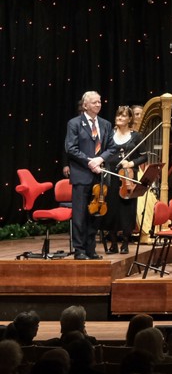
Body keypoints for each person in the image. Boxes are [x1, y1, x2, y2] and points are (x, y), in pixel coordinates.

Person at [64, 91, 114, 260]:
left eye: (99, 102)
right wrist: (89, 162)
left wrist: (100, 159)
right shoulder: (75, 123)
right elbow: (71, 148)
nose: (98, 105)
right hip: (82, 174)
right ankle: (79, 250)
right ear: (85, 105)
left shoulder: (105, 124)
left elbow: (112, 148)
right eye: (94, 102)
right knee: (80, 215)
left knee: (96, 213)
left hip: (99, 175)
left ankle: (91, 249)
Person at [103, 105, 145, 255]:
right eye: (118, 115)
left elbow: (144, 156)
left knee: (127, 210)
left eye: (123, 116)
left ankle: (125, 243)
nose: (119, 118)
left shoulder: (136, 136)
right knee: (112, 209)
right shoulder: (109, 135)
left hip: (128, 176)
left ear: (129, 119)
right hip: (111, 176)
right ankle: (113, 243)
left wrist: (131, 163)